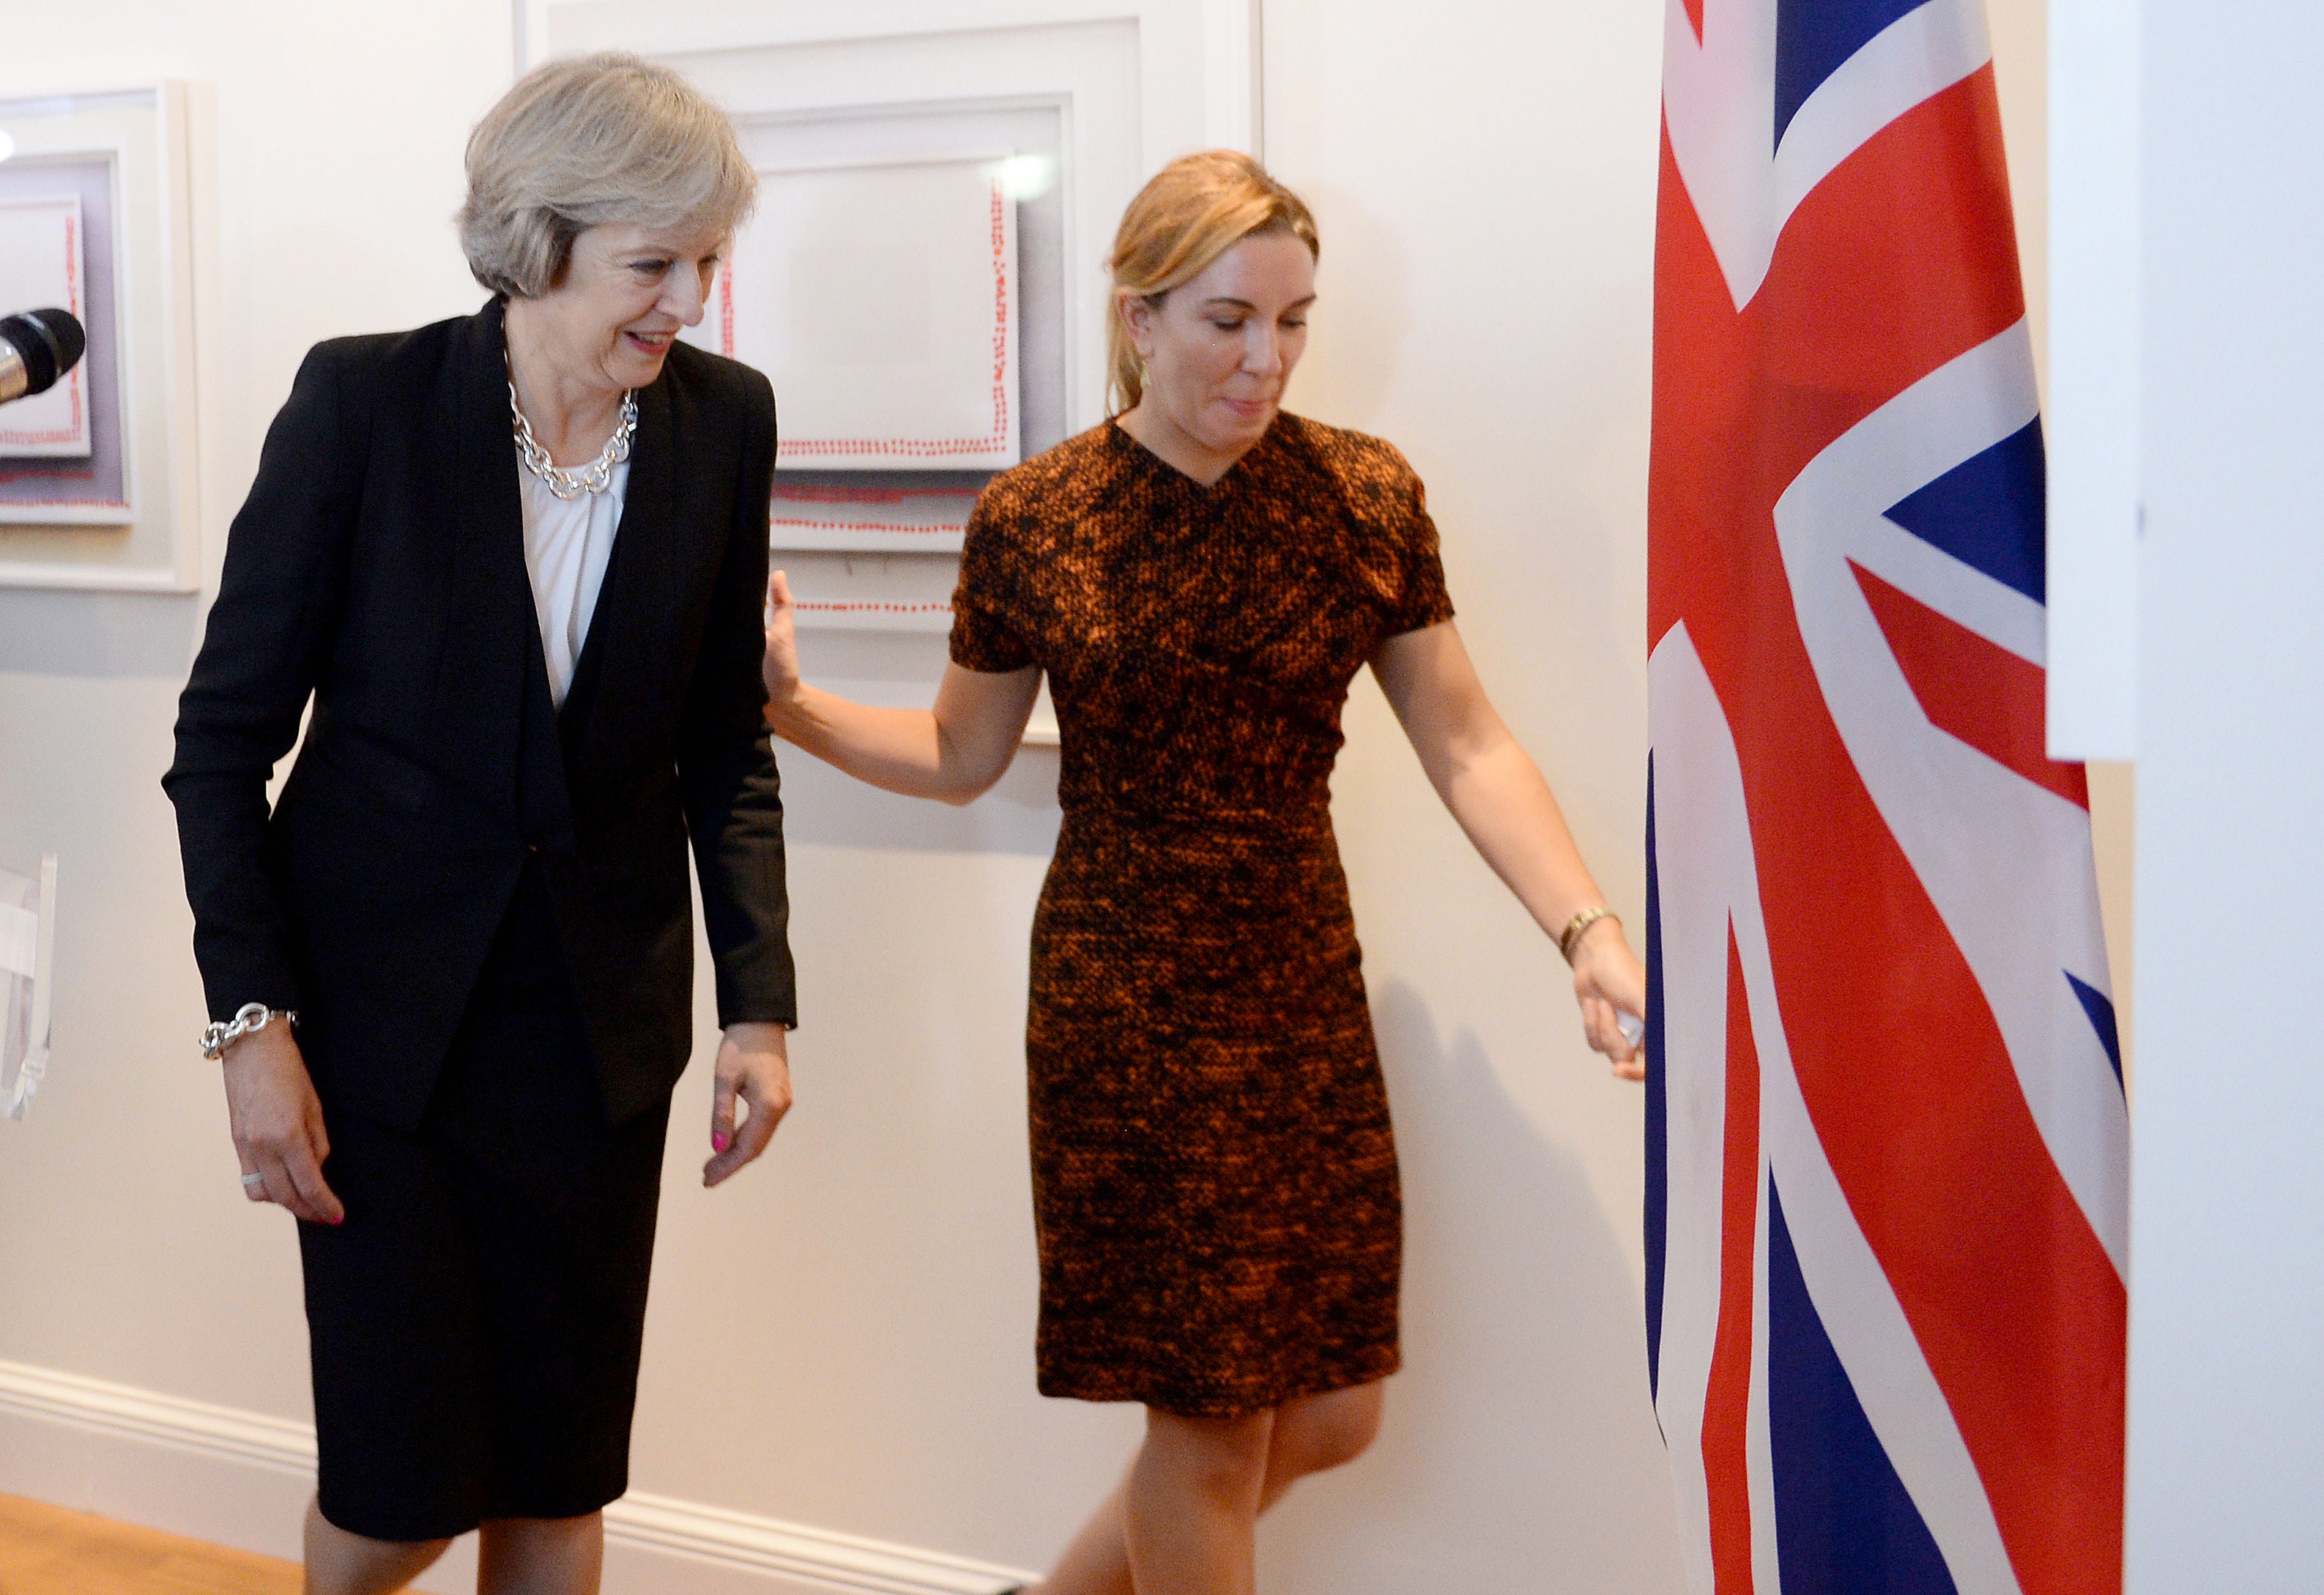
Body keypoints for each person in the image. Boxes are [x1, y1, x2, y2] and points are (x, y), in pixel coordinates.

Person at [761, 149, 1646, 1595]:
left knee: (1334, 1409)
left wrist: (1586, 932)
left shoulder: (1364, 497)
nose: (1266, 358)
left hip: (1300, 975)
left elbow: (1467, 741)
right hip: (1129, 993)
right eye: (1228, 320)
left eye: (1293, 321)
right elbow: (957, 751)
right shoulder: (1038, 519)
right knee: (1212, 1422)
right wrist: (786, 705)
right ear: (1139, 318)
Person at [163, 55, 796, 1595]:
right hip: (378, 1048)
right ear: (537, 240)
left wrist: (759, 1005)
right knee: (393, 1496)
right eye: (655, 264)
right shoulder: (364, 402)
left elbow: (724, 740)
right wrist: (252, 1024)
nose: (689, 302)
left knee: (559, 1476)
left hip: (595, 1045)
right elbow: (220, 742)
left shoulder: (722, 424)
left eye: (706, 260)